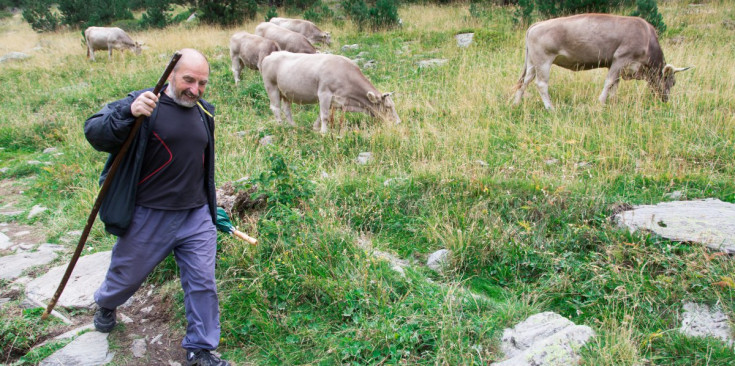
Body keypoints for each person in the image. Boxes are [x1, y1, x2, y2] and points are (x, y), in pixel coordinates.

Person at [84, 48, 230, 366]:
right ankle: (106, 303)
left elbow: (201, 164)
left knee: (203, 281)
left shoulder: (204, 112)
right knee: (127, 277)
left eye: (202, 83)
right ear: (171, 75)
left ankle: (199, 348)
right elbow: (95, 132)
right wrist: (128, 113)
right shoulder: (144, 102)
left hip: (195, 215)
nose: (195, 89)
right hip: (149, 214)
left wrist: (211, 205)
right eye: (189, 80)